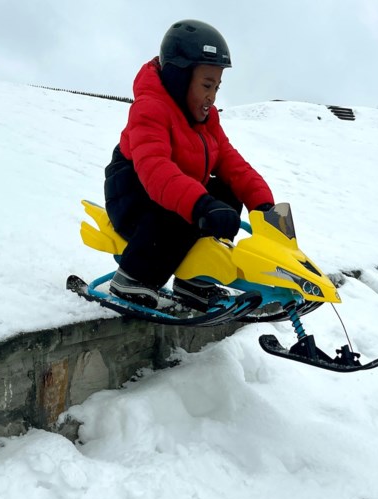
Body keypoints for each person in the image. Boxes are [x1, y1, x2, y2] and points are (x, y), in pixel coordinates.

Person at [103, 19, 274, 309]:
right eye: (206, 85)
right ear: (178, 78)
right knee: (182, 210)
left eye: (217, 87)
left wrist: (265, 207)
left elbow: (233, 164)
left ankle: (195, 281)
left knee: (227, 193)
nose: (212, 96)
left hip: (174, 197)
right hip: (133, 198)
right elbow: (155, 170)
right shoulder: (151, 108)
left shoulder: (207, 120)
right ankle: (132, 278)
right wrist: (201, 205)